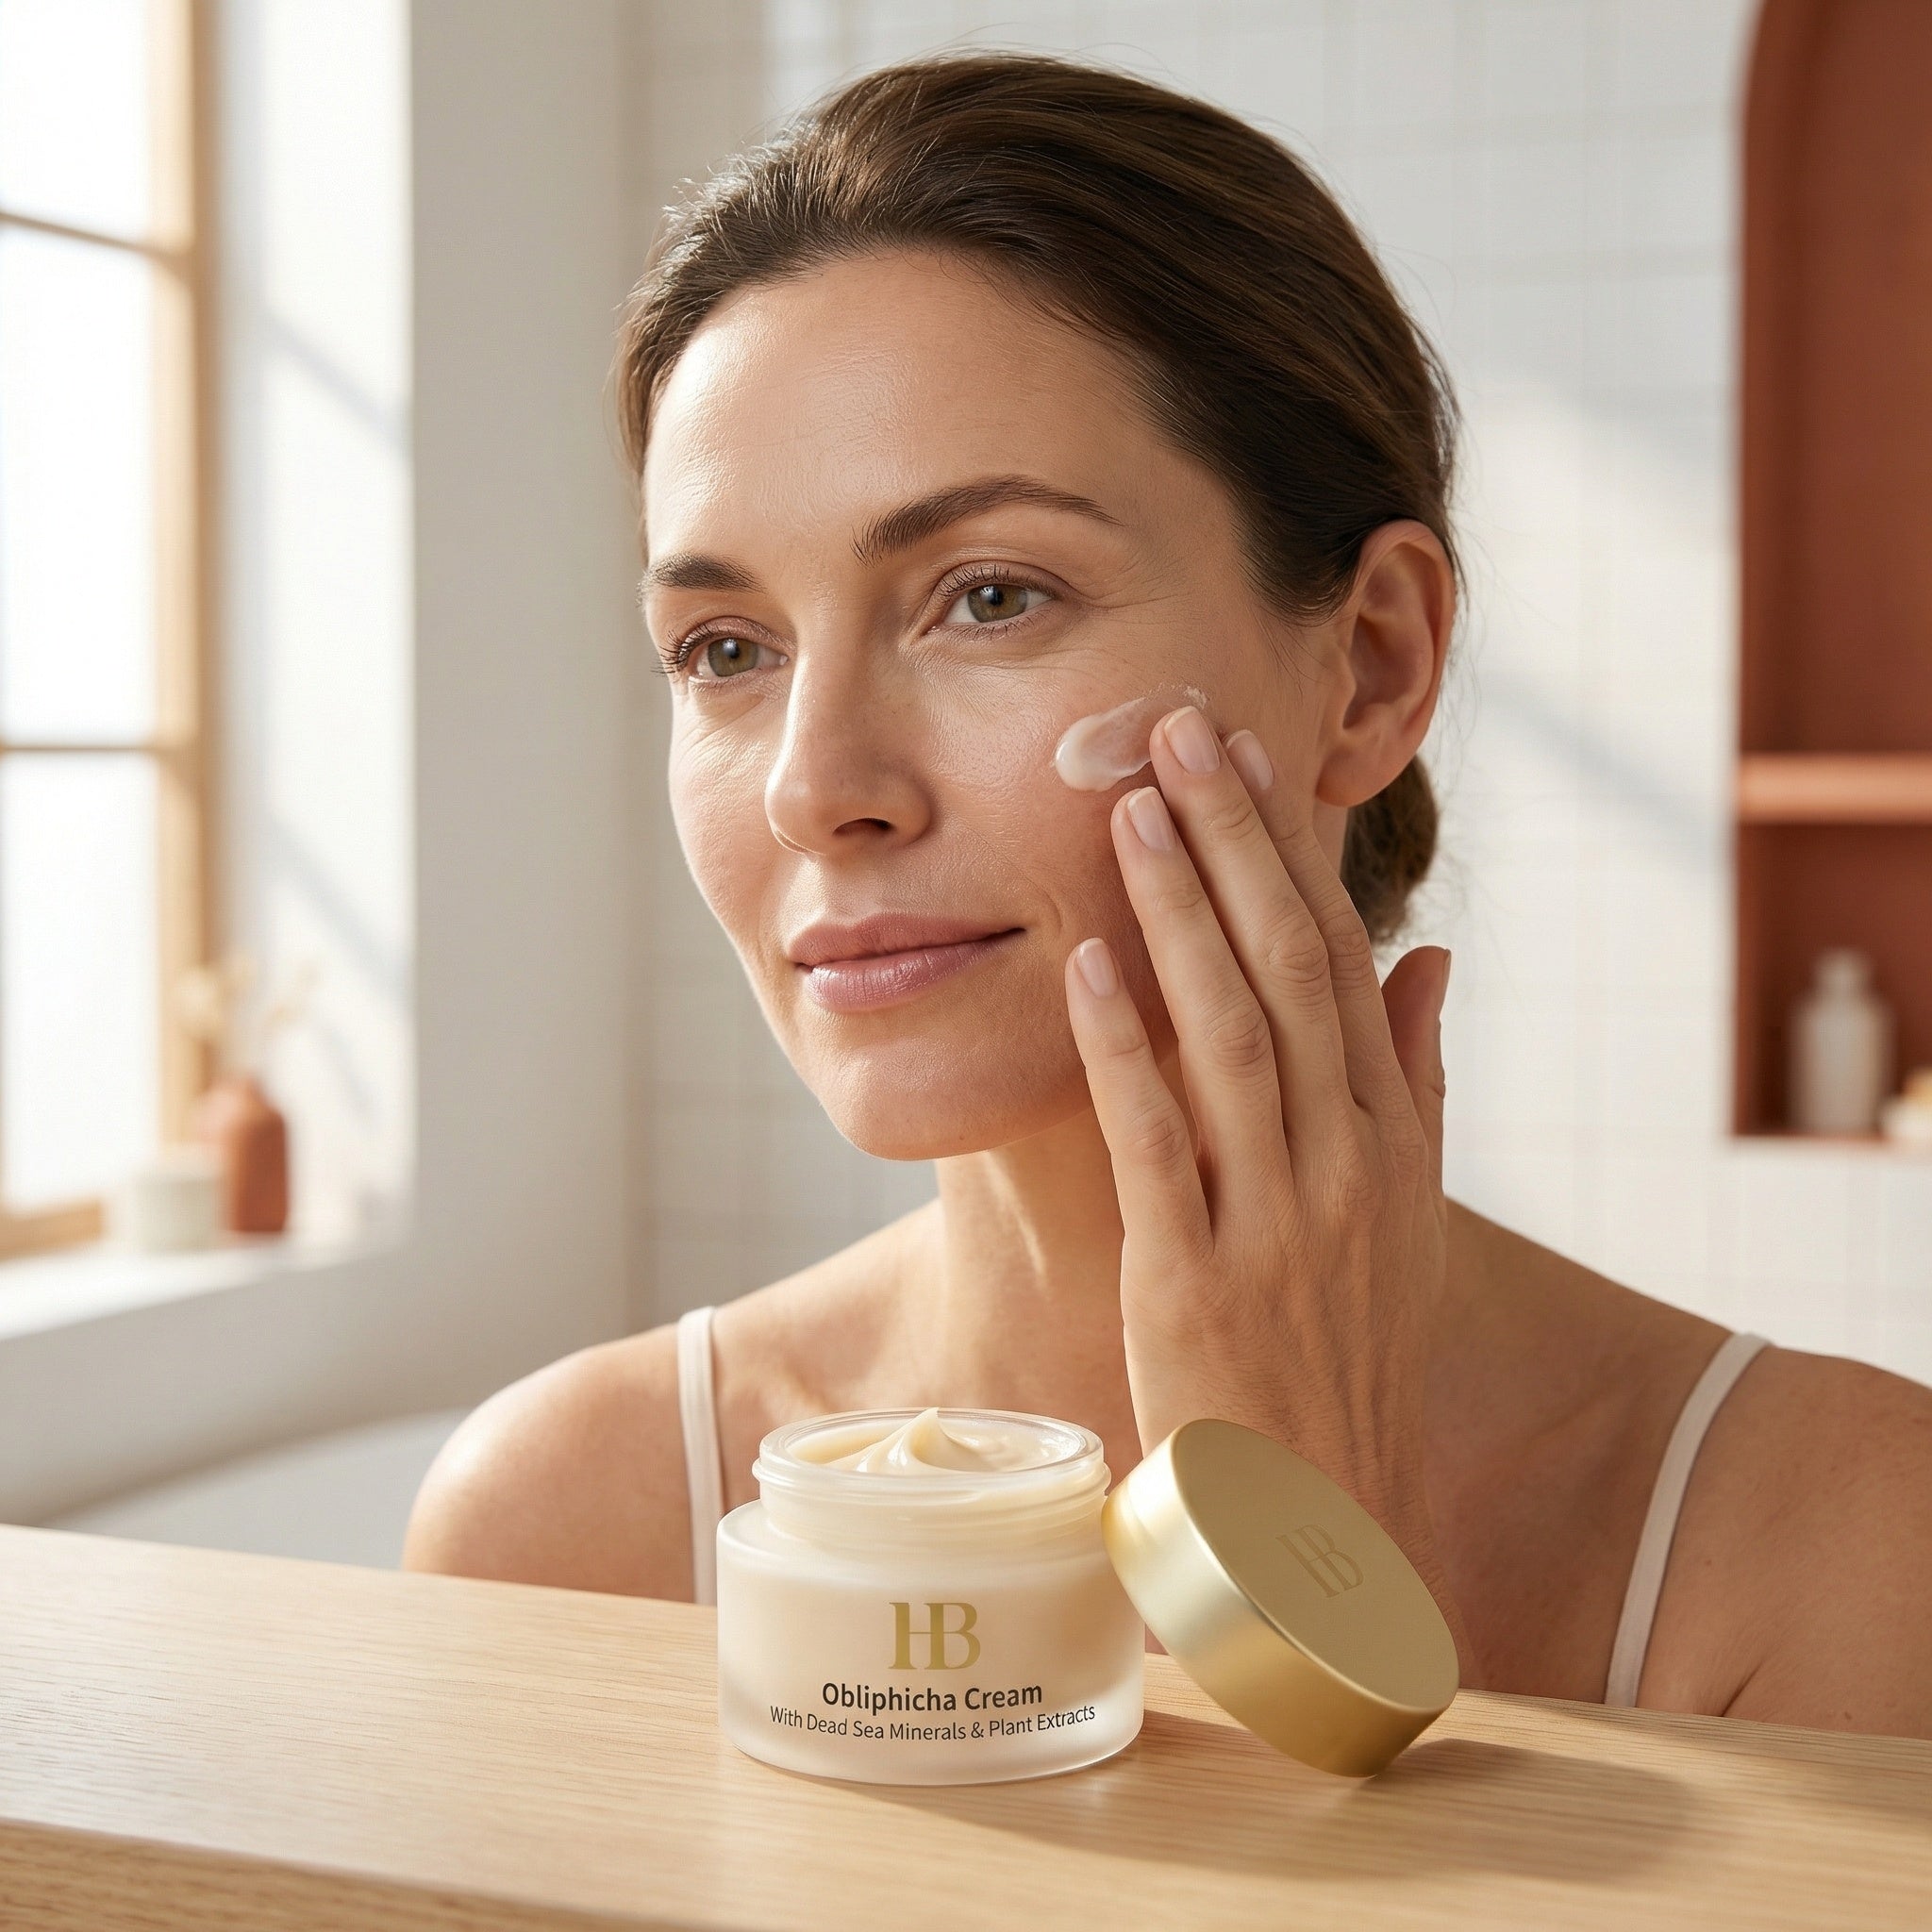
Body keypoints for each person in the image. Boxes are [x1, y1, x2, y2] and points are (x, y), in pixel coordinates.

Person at [406, 53, 1932, 1735]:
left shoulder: (1842, 1552)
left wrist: (1310, 1566)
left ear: (1369, 666)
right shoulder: (568, 1521)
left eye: (987, 595)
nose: (815, 784)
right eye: (725, 648)